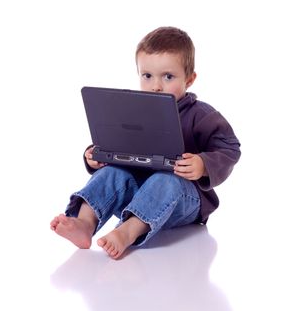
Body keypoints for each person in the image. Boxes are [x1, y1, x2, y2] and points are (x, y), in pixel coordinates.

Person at [50, 26, 241, 260]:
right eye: (147, 76)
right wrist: (96, 155)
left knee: (165, 180)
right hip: (136, 195)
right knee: (112, 173)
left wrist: (203, 164)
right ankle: (84, 223)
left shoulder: (201, 115)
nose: (156, 86)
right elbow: (114, 141)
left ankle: (127, 231)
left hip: (181, 200)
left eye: (168, 77)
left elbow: (230, 148)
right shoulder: (133, 109)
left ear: (189, 79)